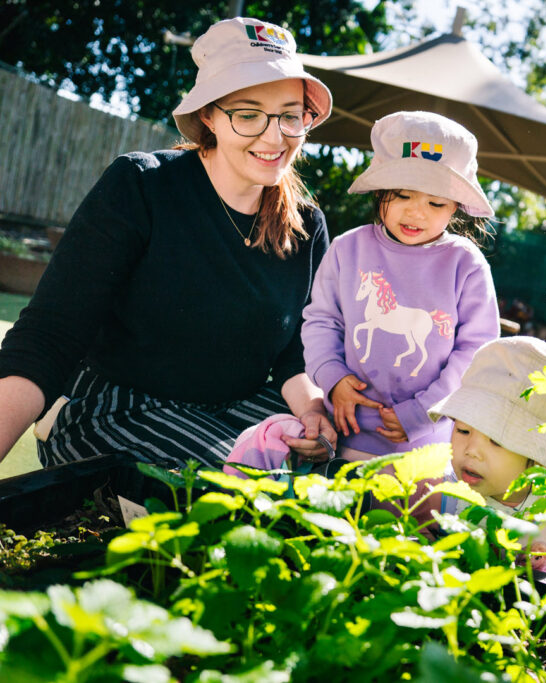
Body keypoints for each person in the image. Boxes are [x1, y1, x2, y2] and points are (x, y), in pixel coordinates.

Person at [0, 17, 338, 469]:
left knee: (346, 470)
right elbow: (48, 336)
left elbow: (296, 353)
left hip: (235, 410)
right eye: (248, 113)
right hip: (115, 408)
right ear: (209, 116)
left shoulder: (307, 224)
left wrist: (315, 410)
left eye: (291, 115)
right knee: (244, 495)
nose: (274, 136)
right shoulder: (142, 187)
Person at [301, 110, 501, 462]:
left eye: (435, 203)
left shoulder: (466, 264)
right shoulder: (348, 248)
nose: (416, 212)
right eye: (402, 195)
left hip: (426, 447)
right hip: (338, 436)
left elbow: (477, 352)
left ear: (455, 207)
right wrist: (332, 378)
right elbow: (322, 321)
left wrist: (424, 411)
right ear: (380, 191)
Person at [423, 335, 546, 575]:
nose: (471, 450)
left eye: (496, 440)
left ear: (537, 455)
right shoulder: (439, 492)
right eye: (462, 430)